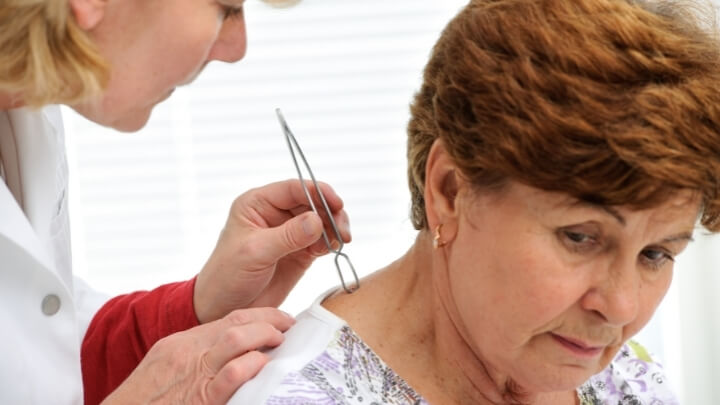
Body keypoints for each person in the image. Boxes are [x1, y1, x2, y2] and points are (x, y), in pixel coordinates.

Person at [228, 0, 720, 403]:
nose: (620, 306)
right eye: (580, 238)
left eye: (655, 254)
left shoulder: (620, 378)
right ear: (450, 191)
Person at [0, 0, 351, 404]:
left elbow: (43, 346)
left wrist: (197, 307)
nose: (237, 49)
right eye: (227, 8)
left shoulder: (25, 114)